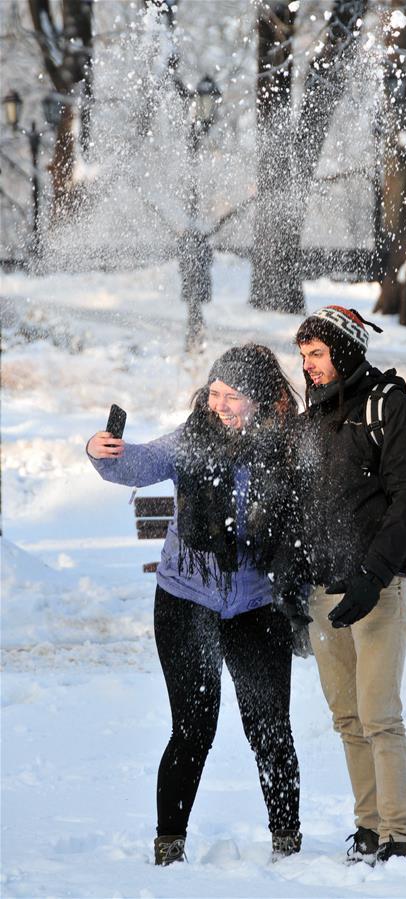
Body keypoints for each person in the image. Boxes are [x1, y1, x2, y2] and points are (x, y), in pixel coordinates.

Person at [86, 344, 303, 866]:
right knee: (193, 729)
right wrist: (100, 450)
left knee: (270, 728)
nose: (220, 405)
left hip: (258, 604)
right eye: (215, 393)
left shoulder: (288, 448)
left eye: (233, 396)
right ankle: (169, 848)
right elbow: (137, 463)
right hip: (186, 600)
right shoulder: (192, 440)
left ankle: (288, 845)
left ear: (262, 399)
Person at [289, 305, 406, 865]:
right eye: (304, 355)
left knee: (380, 718)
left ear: (346, 351)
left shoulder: (392, 410)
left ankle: (396, 836)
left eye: (318, 353)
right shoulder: (311, 422)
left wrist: (372, 577)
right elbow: (297, 508)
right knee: (348, 720)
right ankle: (368, 828)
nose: (309, 365)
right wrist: (290, 577)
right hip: (324, 591)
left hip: (378, 589)